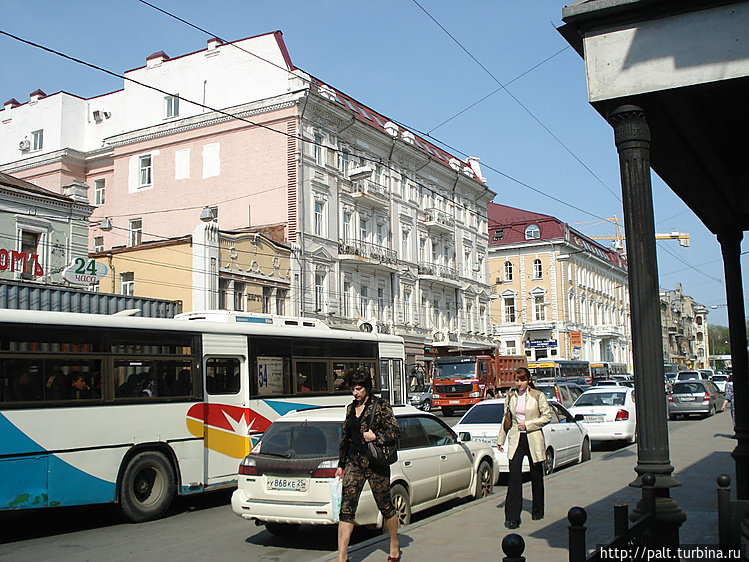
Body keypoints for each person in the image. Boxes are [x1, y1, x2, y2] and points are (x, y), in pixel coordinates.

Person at [335, 368, 401, 562]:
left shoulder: (380, 406)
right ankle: (341, 557)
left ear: (367, 388)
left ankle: (394, 543)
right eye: (352, 389)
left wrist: (376, 437)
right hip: (354, 463)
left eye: (358, 389)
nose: (355, 393)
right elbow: (345, 437)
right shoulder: (350, 408)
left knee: (385, 506)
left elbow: (395, 432)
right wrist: (341, 463)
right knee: (346, 510)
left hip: (375, 464)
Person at [497, 366, 552, 529]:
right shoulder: (511, 396)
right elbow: (506, 418)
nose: (519, 383)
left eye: (522, 380)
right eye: (517, 380)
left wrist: (528, 424)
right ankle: (512, 517)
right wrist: (501, 440)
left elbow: (547, 416)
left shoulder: (537, 396)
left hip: (533, 437)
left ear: (528, 381)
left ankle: (537, 510)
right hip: (516, 439)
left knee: (536, 475)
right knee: (514, 477)